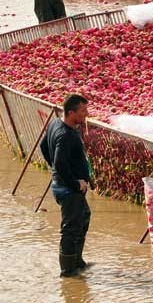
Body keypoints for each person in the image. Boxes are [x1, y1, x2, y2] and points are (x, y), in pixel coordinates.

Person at [40, 94, 91, 278]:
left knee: (84, 216)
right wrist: (75, 183)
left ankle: (77, 261)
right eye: (83, 111)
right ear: (71, 113)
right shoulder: (65, 135)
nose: (86, 114)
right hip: (68, 190)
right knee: (70, 229)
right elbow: (59, 162)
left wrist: (55, 169)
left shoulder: (56, 124)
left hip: (65, 186)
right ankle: (68, 271)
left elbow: (43, 146)